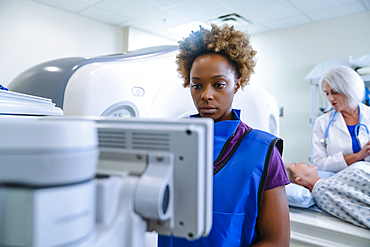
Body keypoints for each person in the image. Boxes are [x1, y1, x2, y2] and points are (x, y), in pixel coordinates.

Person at [158, 24, 290, 246]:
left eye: (218, 85)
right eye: (197, 86)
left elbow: (277, 240)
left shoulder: (263, 150)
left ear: (236, 84)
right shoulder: (171, 141)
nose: (206, 95)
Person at [312, 66, 370, 172]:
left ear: (350, 89)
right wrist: (358, 156)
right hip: (337, 182)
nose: (330, 98)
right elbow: (320, 163)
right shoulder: (322, 122)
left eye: (334, 92)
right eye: (327, 93)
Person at [285, 161, 370, 229]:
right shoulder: (321, 190)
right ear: (297, 178)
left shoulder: (326, 183)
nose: (302, 162)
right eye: (295, 164)